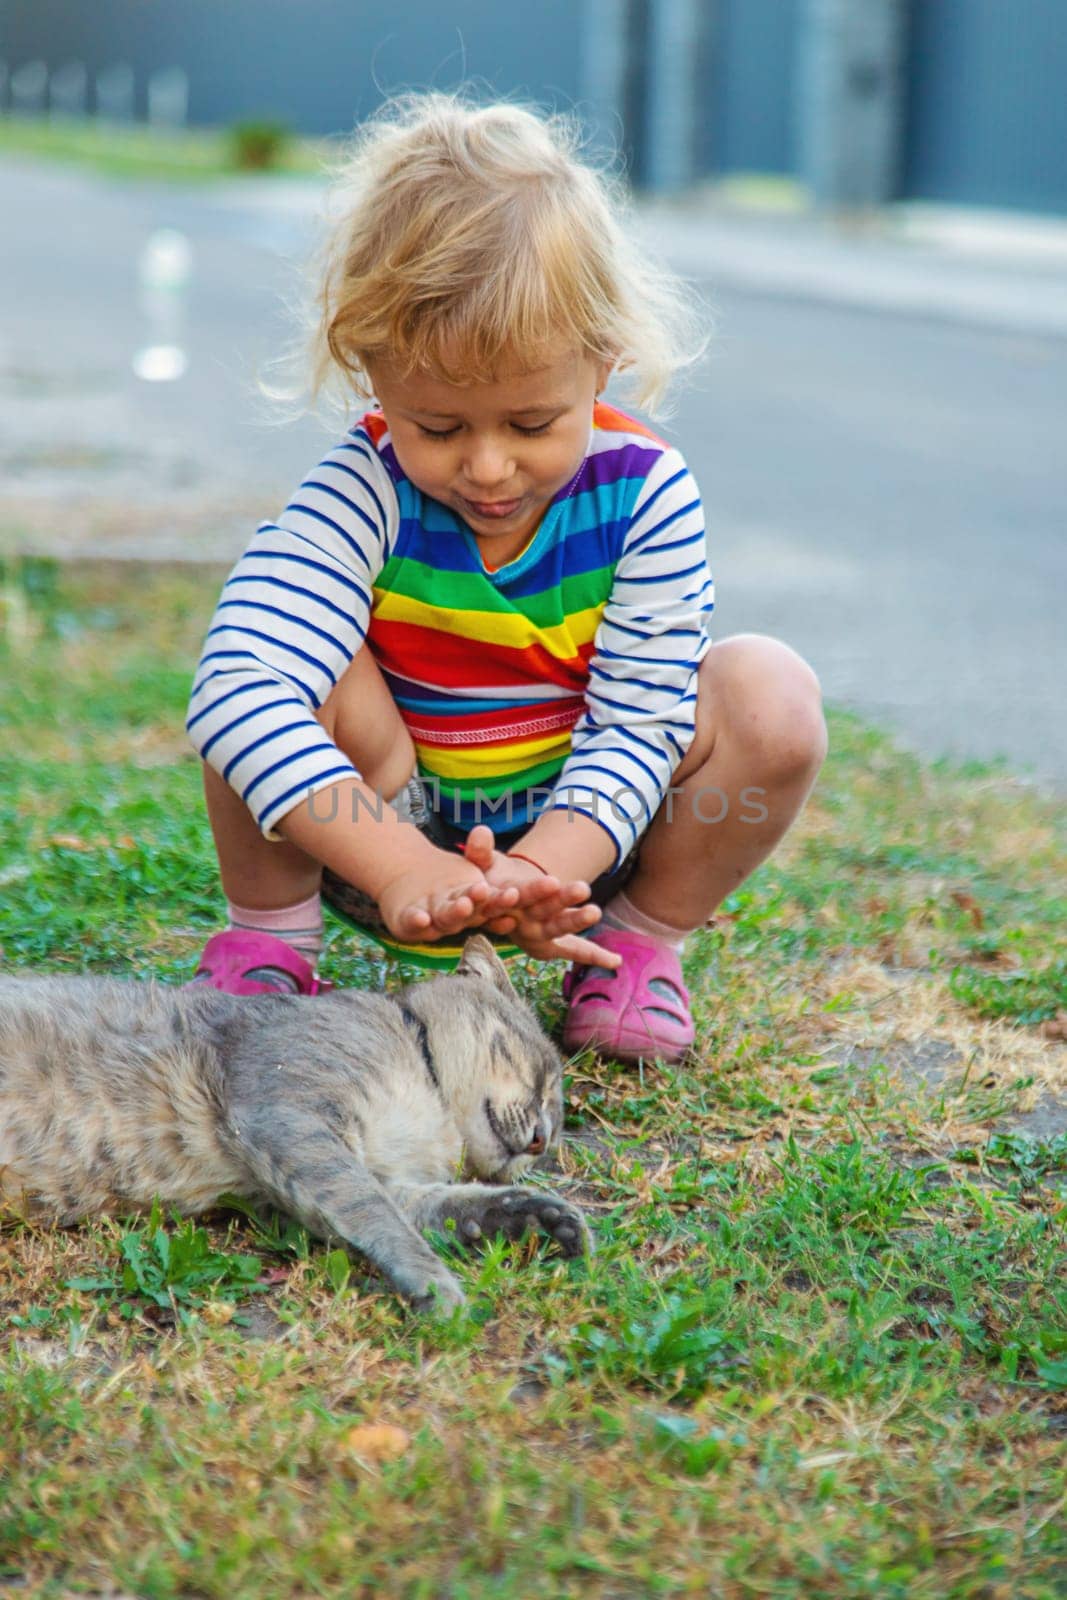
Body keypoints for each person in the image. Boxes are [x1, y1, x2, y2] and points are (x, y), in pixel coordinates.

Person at [186, 92, 827, 1064]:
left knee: (768, 695)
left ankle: (633, 947)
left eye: (530, 423)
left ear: (601, 361)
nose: (486, 468)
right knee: (275, 655)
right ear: (371, 373)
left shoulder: (644, 495)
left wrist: (536, 873)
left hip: (586, 849)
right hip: (380, 835)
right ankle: (269, 944)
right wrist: (403, 862)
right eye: (438, 426)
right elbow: (236, 689)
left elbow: (638, 724)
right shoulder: (363, 491)